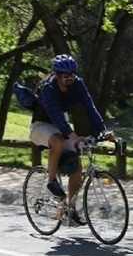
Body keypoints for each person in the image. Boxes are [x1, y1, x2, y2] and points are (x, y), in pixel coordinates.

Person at [29, 54, 113, 225]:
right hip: (40, 126)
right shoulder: (48, 88)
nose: (70, 78)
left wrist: (103, 131)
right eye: (65, 75)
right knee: (59, 141)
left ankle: (69, 208)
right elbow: (56, 115)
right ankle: (51, 181)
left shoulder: (77, 84)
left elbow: (90, 107)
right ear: (57, 75)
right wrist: (73, 135)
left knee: (77, 166)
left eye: (72, 75)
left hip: (60, 127)